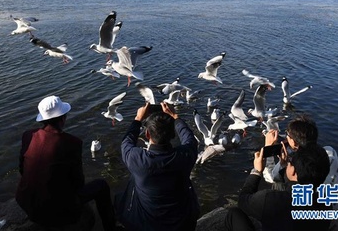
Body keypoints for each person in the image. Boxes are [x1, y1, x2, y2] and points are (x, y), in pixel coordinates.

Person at [15, 95, 117, 231]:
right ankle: (111, 228)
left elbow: (22, 169)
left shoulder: (28, 135)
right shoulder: (72, 143)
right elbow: (78, 183)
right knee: (101, 186)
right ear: (63, 118)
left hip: (25, 202)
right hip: (55, 213)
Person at [264, 115, 338, 230]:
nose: (285, 138)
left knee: (278, 185)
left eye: (287, 135)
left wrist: (270, 150)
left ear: (294, 144)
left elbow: (270, 176)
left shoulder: (298, 171)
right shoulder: (330, 152)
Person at [115, 102, 200, 231]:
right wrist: (174, 116)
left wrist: (138, 119)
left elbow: (126, 142)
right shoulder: (185, 155)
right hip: (183, 222)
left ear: (147, 135)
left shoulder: (137, 159)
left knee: (128, 186)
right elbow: (189, 138)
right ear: (172, 134)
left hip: (147, 225)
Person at [225, 143, 331, 231]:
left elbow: (243, 200)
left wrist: (257, 171)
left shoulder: (270, 200)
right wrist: (284, 165)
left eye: (290, 163)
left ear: (294, 171)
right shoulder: (326, 202)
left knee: (234, 214)